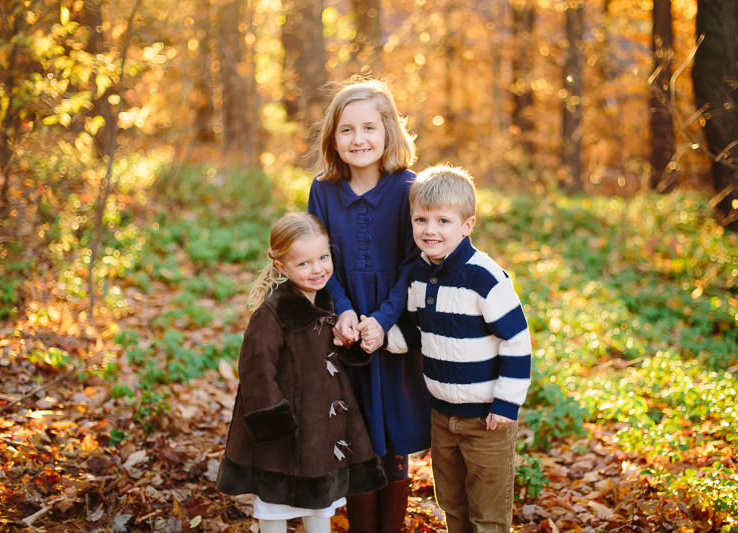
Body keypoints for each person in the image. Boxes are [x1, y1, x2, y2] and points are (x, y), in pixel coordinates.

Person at [307, 78, 432, 532]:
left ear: (388, 132)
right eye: (346, 130)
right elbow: (323, 260)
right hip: (345, 327)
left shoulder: (407, 188)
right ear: (333, 137)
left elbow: (411, 262)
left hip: (393, 326)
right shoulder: (323, 190)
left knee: (392, 428)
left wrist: (381, 320)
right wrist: (341, 309)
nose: (358, 139)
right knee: (355, 429)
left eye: (369, 128)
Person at [217, 213, 388, 533]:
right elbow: (255, 370)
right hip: (281, 432)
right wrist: (273, 421)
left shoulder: (329, 303)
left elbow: (330, 355)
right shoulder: (273, 313)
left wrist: (352, 343)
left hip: (318, 429)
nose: (318, 269)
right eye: (304, 263)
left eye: (323, 258)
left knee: (319, 504)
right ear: (282, 267)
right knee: (274, 509)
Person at [404, 164, 532, 533]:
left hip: (487, 421)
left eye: (443, 221)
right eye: (421, 219)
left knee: (487, 513)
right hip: (442, 416)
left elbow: (516, 339)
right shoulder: (418, 274)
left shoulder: (484, 277)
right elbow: (419, 332)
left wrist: (506, 402)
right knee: (452, 504)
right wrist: (380, 338)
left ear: (467, 225)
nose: (430, 230)